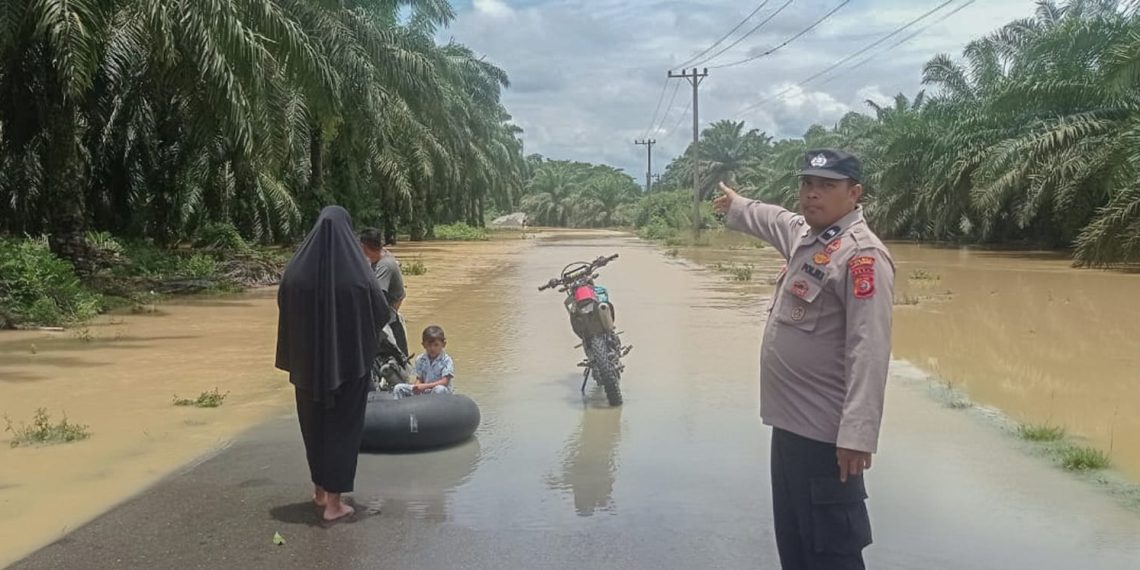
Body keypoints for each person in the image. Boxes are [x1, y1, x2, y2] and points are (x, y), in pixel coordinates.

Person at [713, 149, 894, 570]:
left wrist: (858, 434)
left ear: (854, 193)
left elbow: (870, 348)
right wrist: (737, 206)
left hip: (827, 440)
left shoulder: (862, 257)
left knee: (831, 553)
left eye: (826, 186)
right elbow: (774, 218)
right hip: (789, 429)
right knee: (795, 546)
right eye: (807, 185)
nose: (812, 195)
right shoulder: (808, 237)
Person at [275, 206, 390, 522]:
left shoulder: (295, 271)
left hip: (307, 365)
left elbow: (283, 302)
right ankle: (335, 505)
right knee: (342, 429)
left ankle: (319, 491)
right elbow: (381, 312)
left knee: (314, 427)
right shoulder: (358, 272)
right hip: (349, 365)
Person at [360, 227, 408, 356]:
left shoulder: (384, 266)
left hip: (388, 320)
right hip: (387, 315)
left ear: (364, 247)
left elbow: (377, 298)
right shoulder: (380, 257)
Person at [392, 326, 454, 399]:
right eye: (429, 345)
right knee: (398, 388)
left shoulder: (446, 360)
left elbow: (444, 382)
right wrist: (417, 387)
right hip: (424, 390)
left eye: (436, 345)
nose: (432, 348)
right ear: (423, 345)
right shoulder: (420, 359)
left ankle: (435, 409)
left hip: (438, 390)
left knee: (439, 389)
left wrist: (424, 386)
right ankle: (401, 408)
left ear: (443, 345)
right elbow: (419, 378)